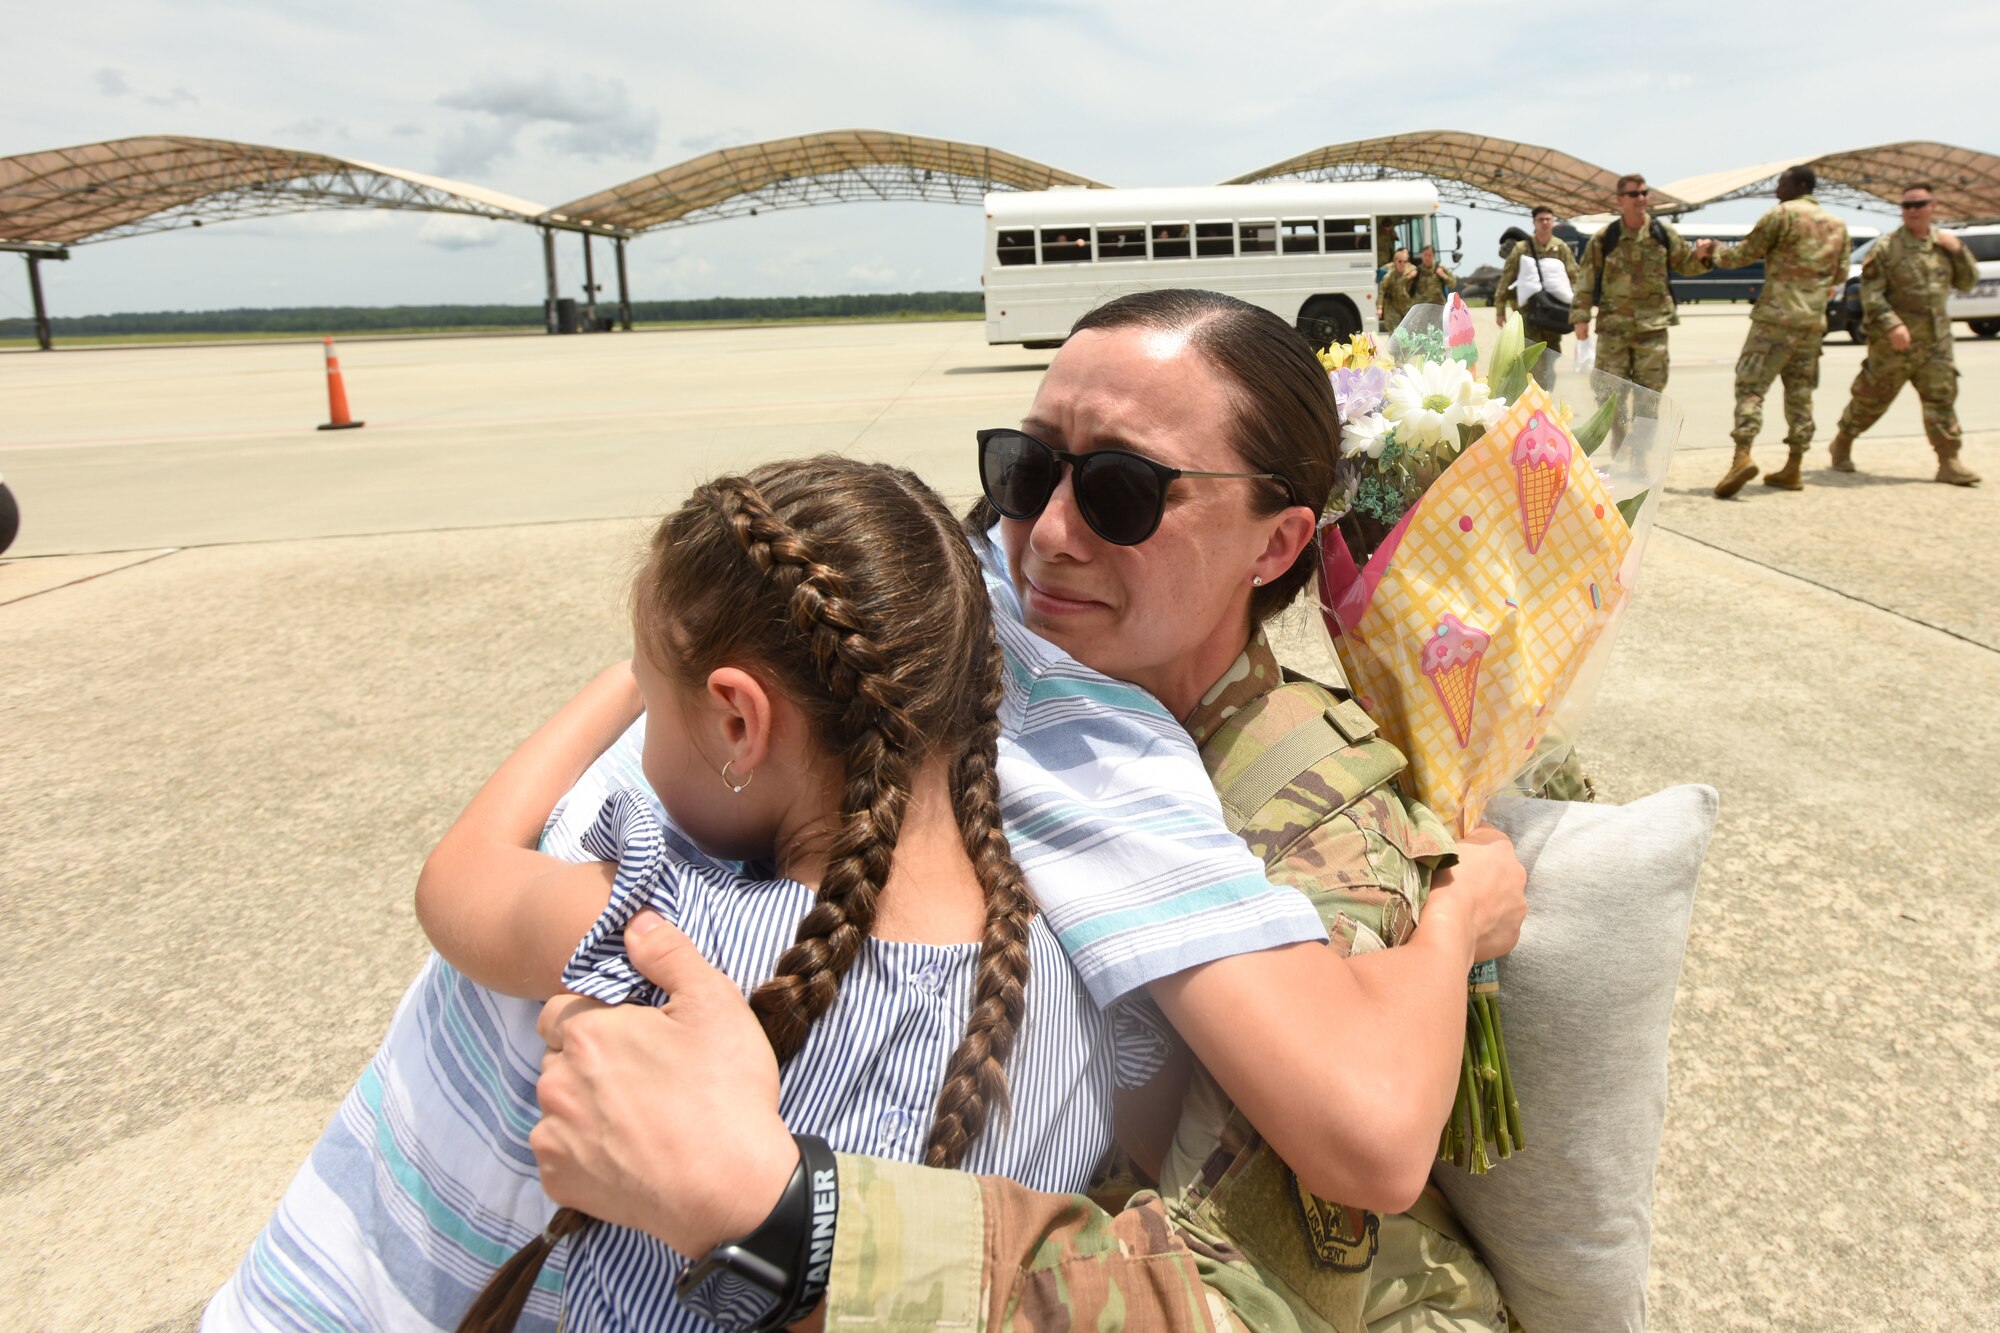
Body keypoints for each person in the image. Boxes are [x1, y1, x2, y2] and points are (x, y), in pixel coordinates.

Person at [529, 291, 1530, 1332]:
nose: (1045, 535)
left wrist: (790, 1217)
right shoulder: (945, 662)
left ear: (1274, 547)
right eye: (1025, 468)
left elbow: (1243, 1293)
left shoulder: (1303, 828)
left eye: (1120, 492)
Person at [207, 460, 1165, 1333]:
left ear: (740, 719)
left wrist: (620, 678)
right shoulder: (1079, 1002)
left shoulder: (661, 929)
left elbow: (454, 881)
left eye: (662, 707)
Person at [1706, 166, 1852, 497]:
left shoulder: (1781, 216)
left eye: (1782, 183)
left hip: (1775, 321)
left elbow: (1741, 255)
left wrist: (1713, 250)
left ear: (1799, 185)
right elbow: (1840, 274)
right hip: (1812, 324)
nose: (1776, 189)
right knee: (1800, 394)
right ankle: (1794, 466)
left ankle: (1742, 456)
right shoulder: (1838, 226)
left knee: (1751, 388)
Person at [1828, 181, 1982, 486]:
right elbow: (1872, 294)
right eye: (1907, 206)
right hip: (1894, 344)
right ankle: (1843, 440)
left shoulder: (1945, 246)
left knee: (1942, 399)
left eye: (1919, 204)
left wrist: (1960, 250)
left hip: (1936, 342)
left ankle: (1949, 461)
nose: (1912, 211)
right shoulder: (1887, 248)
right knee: (1870, 399)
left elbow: (1968, 283)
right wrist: (1892, 324)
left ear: (1932, 207)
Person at [1571, 173, 1716, 391]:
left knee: (1650, 397)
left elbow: (1685, 264)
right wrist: (1580, 319)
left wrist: (1701, 255)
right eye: (1633, 194)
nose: (1640, 198)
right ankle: (1617, 428)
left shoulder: (1662, 233)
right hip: (1614, 330)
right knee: (1609, 395)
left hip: (1652, 330)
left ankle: (1643, 428)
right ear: (1620, 199)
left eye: (1644, 193)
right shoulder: (1606, 237)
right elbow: (1585, 279)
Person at [1494, 205, 1579, 386]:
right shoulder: (1521, 248)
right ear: (1534, 222)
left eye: (1548, 219)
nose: (1545, 223)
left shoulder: (1560, 248)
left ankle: (1545, 395)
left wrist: (1578, 309)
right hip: (1528, 313)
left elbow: (1574, 277)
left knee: (1551, 356)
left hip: (1553, 312)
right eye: (1541, 219)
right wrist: (1499, 310)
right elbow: (1507, 278)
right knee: (1531, 356)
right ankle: (1531, 395)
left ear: (1553, 221)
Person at [1379, 247, 1415, 331]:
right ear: (1395, 262)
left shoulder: (1412, 270)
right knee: (1394, 332)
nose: (1402, 263)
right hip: (1393, 306)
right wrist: (1379, 307)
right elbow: (1382, 290)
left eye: (1405, 261)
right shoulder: (1390, 274)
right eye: (1400, 261)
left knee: (1409, 332)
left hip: (1407, 305)